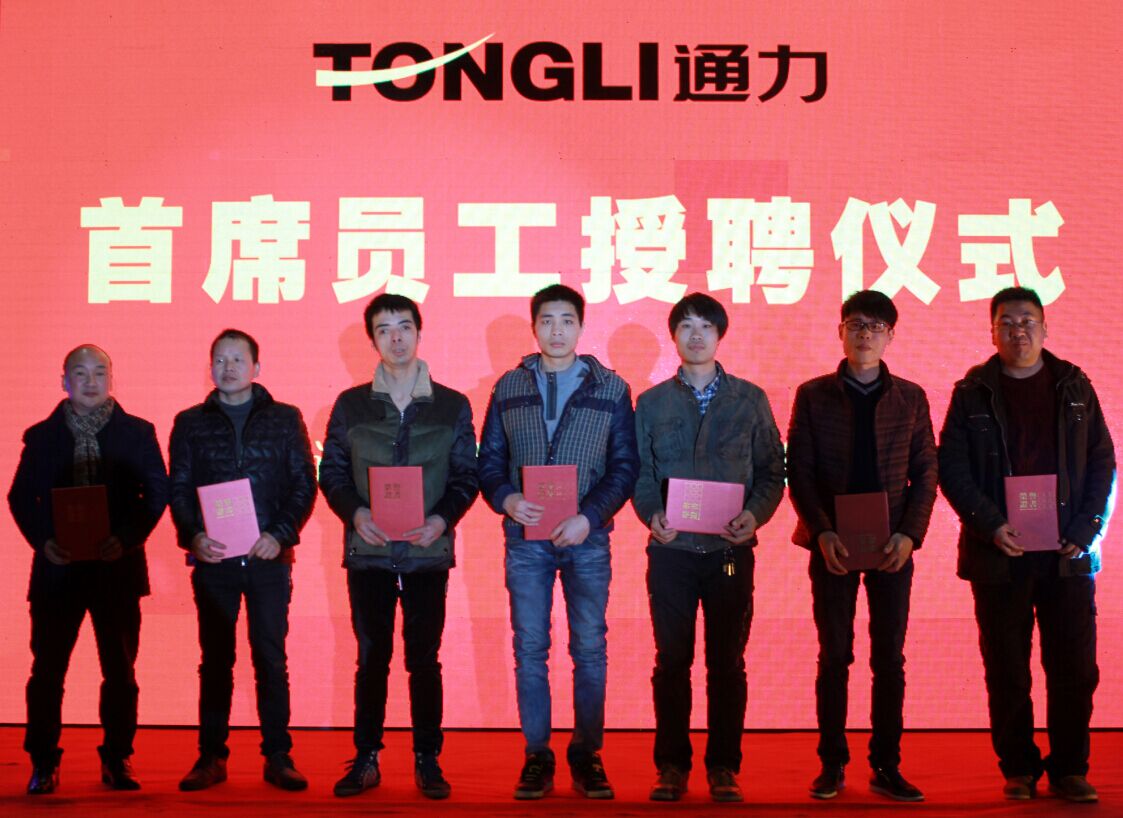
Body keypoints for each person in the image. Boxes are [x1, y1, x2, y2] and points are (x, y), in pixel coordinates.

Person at [939, 286, 1114, 803]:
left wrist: (1085, 529)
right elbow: (952, 468)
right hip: (999, 555)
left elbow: (1103, 461)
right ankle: (1018, 768)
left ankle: (1070, 769)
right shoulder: (972, 391)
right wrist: (991, 524)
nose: (1019, 331)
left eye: (1027, 321)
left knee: (1075, 669)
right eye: (1008, 322)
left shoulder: (1075, 385)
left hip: (1067, 555)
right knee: (1007, 669)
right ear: (992, 331)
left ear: (1045, 328)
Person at [478, 283, 639, 800]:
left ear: (581, 326)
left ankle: (587, 753)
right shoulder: (508, 386)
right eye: (547, 320)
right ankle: (537, 755)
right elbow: (488, 462)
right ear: (534, 327)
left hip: (586, 540)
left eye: (567, 320)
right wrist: (506, 498)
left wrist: (589, 517)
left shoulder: (611, 388)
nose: (556, 330)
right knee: (530, 648)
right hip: (525, 539)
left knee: (589, 648)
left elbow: (625, 467)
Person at [320, 293, 479, 800]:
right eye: (384, 329)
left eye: (404, 327)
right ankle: (366, 757)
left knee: (424, 660)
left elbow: (466, 476)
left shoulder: (452, 404)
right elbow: (332, 472)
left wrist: (441, 519)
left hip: (427, 554)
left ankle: (427, 758)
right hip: (369, 552)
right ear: (372, 339)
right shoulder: (351, 404)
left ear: (419, 332)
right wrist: (355, 513)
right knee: (371, 658)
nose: (396, 337)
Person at [632, 293, 785, 803]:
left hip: (729, 554)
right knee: (671, 661)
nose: (695, 335)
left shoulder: (750, 399)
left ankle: (723, 767)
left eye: (705, 327)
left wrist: (755, 515)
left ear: (720, 335)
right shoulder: (651, 402)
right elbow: (640, 474)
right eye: (686, 327)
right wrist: (651, 514)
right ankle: (671, 767)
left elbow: (772, 471)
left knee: (727, 663)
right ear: (673, 336)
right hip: (672, 553)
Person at [786, 290, 937, 802]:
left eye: (875, 327)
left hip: (893, 545)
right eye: (856, 324)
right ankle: (831, 764)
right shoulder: (813, 395)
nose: (865, 334)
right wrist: (821, 530)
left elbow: (926, 472)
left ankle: (886, 765)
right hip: (832, 546)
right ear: (841, 332)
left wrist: (910, 534)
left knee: (889, 658)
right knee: (834, 656)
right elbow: (799, 470)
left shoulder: (911, 398)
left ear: (891, 336)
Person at [9, 345, 168, 794]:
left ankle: (118, 758)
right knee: (47, 671)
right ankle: (43, 762)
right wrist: (44, 541)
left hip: (116, 569)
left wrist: (128, 538)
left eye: (100, 372)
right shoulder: (41, 436)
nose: (91, 381)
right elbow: (19, 497)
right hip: (57, 571)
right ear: (64, 380)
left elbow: (157, 493)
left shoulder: (138, 432)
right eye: (80, 373)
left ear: (111, 378)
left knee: (120, 671)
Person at [169, 329, 316, 792]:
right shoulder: (189, 422)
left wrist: (279, 534)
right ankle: (211, 756)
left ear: (257, 367)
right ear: (210, 367)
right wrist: (192, 536)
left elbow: (303, 484)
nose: (228, 367)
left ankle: (278, 755)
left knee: (270, 657)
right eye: (219, 359)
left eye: (237, 359)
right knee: (215, 660)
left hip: (269, 558)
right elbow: (179, 488)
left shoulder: (285, 418)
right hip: (214, 561)